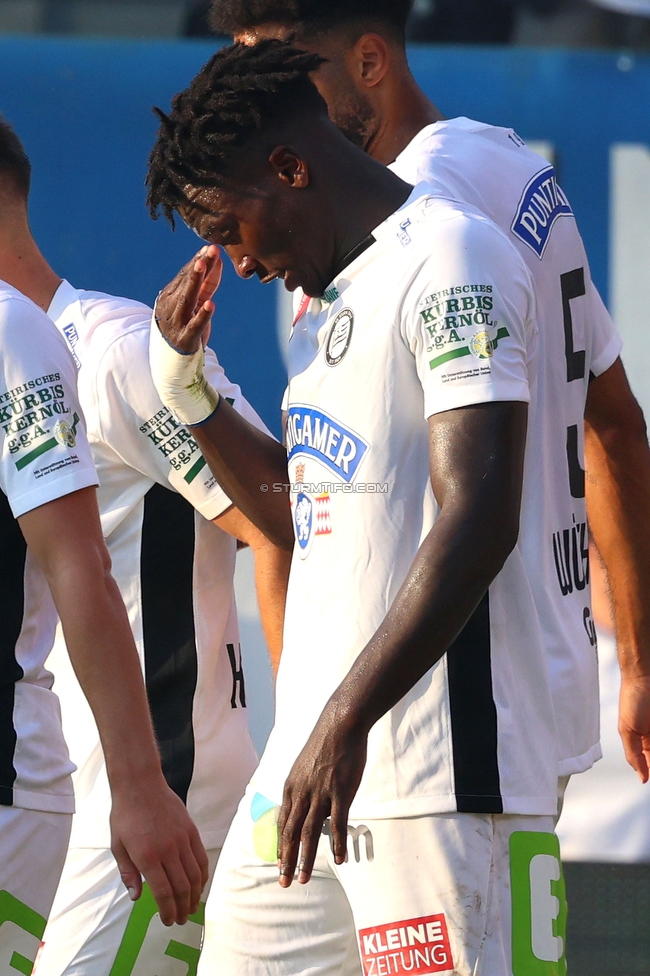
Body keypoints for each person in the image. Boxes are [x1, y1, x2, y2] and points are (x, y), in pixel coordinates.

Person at [141, 38, 612, 974]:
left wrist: (342, 723)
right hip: (311, 775)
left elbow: (478, 514)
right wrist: (188, 391)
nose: (236, 264)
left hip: (443, 779)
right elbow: (303, 518)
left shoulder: (454, 251)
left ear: (290, 167)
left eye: (231, 228)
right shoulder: (331, 298)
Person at [211, 0, 650, 791]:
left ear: (368, 62)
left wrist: (322, 720)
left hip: (438, 732)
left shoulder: (411, 216)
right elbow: (615, 424)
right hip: (426, 721)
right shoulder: (507, 165)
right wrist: (641, 666)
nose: (256, 109)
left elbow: (326, 506)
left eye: (275, 77)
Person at [0, 120, 291, 976]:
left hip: (162, 784)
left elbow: (281, 528)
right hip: (76, 782)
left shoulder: (117, 349)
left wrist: (294, 740)